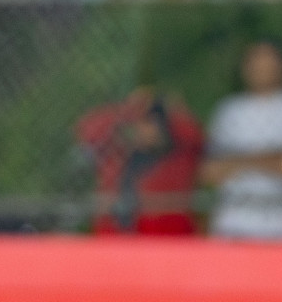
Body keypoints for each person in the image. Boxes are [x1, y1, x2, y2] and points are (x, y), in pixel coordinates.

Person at [200, 39, 282, 240]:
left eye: (269, 61)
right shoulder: (228, 110)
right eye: (256, 62)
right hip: (234, 219)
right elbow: (210, 171)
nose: (262, 68)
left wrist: (238, 160)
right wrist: (275, 157)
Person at [74, 88, 203, 235]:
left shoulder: (178, 156)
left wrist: (170, 109)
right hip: (116, 239)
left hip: (167, 240)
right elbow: (88, 130)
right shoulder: (116, 155)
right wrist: (129, 109)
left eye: (152, 122)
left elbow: (192, 133)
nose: (143, 129)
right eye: (139, 123)